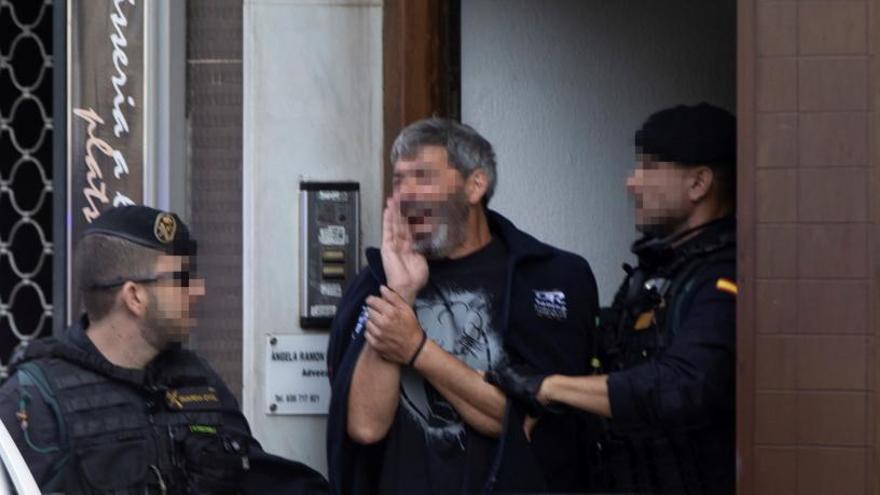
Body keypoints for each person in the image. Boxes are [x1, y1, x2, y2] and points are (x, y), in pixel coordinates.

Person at [326, 118, 600, 494]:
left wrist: (417, 349)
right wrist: (400, 293)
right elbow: (365, 427)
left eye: (423, 176)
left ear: (475, 185)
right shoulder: (373, 284)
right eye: (398, 180)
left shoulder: (547, 278)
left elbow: (520, 421)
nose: (406, 194)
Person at [488, 102, 737, 494]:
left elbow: (684, 384)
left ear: (698, 183)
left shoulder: (726, 276)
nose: (631, 183)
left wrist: (550, 387)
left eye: (650, 168)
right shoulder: (654, 272)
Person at [0, 205, 328, 494]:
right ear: (134, 296)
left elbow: (257, 478)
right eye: (182, 279)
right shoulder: (35, 398)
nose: (198, 289)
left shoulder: (196, 380)